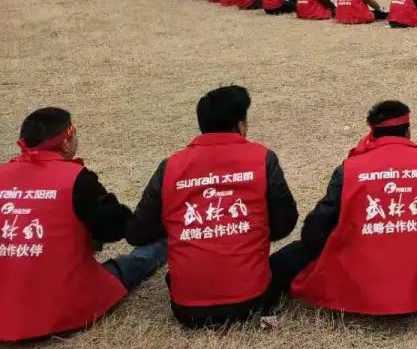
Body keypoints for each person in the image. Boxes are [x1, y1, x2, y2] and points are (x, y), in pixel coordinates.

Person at [269, 101, 417, 316]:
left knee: (283, 260)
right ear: (407, 131)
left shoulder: (349, 169)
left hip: (361, 287)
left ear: (373, 133)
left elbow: (314, 231)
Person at [127, 86, 299, 327]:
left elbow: (137, 232)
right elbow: (284, 224)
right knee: (297, 253)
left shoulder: (171, 166)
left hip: (187, 311)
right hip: (252, 303)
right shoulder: (262, 158)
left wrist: (185, 230)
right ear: (241, 124)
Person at [0, 108, 165, 343]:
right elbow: (118, 227)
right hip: (58, 308)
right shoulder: (76, 179)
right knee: (138, 259)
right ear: (66, 142)